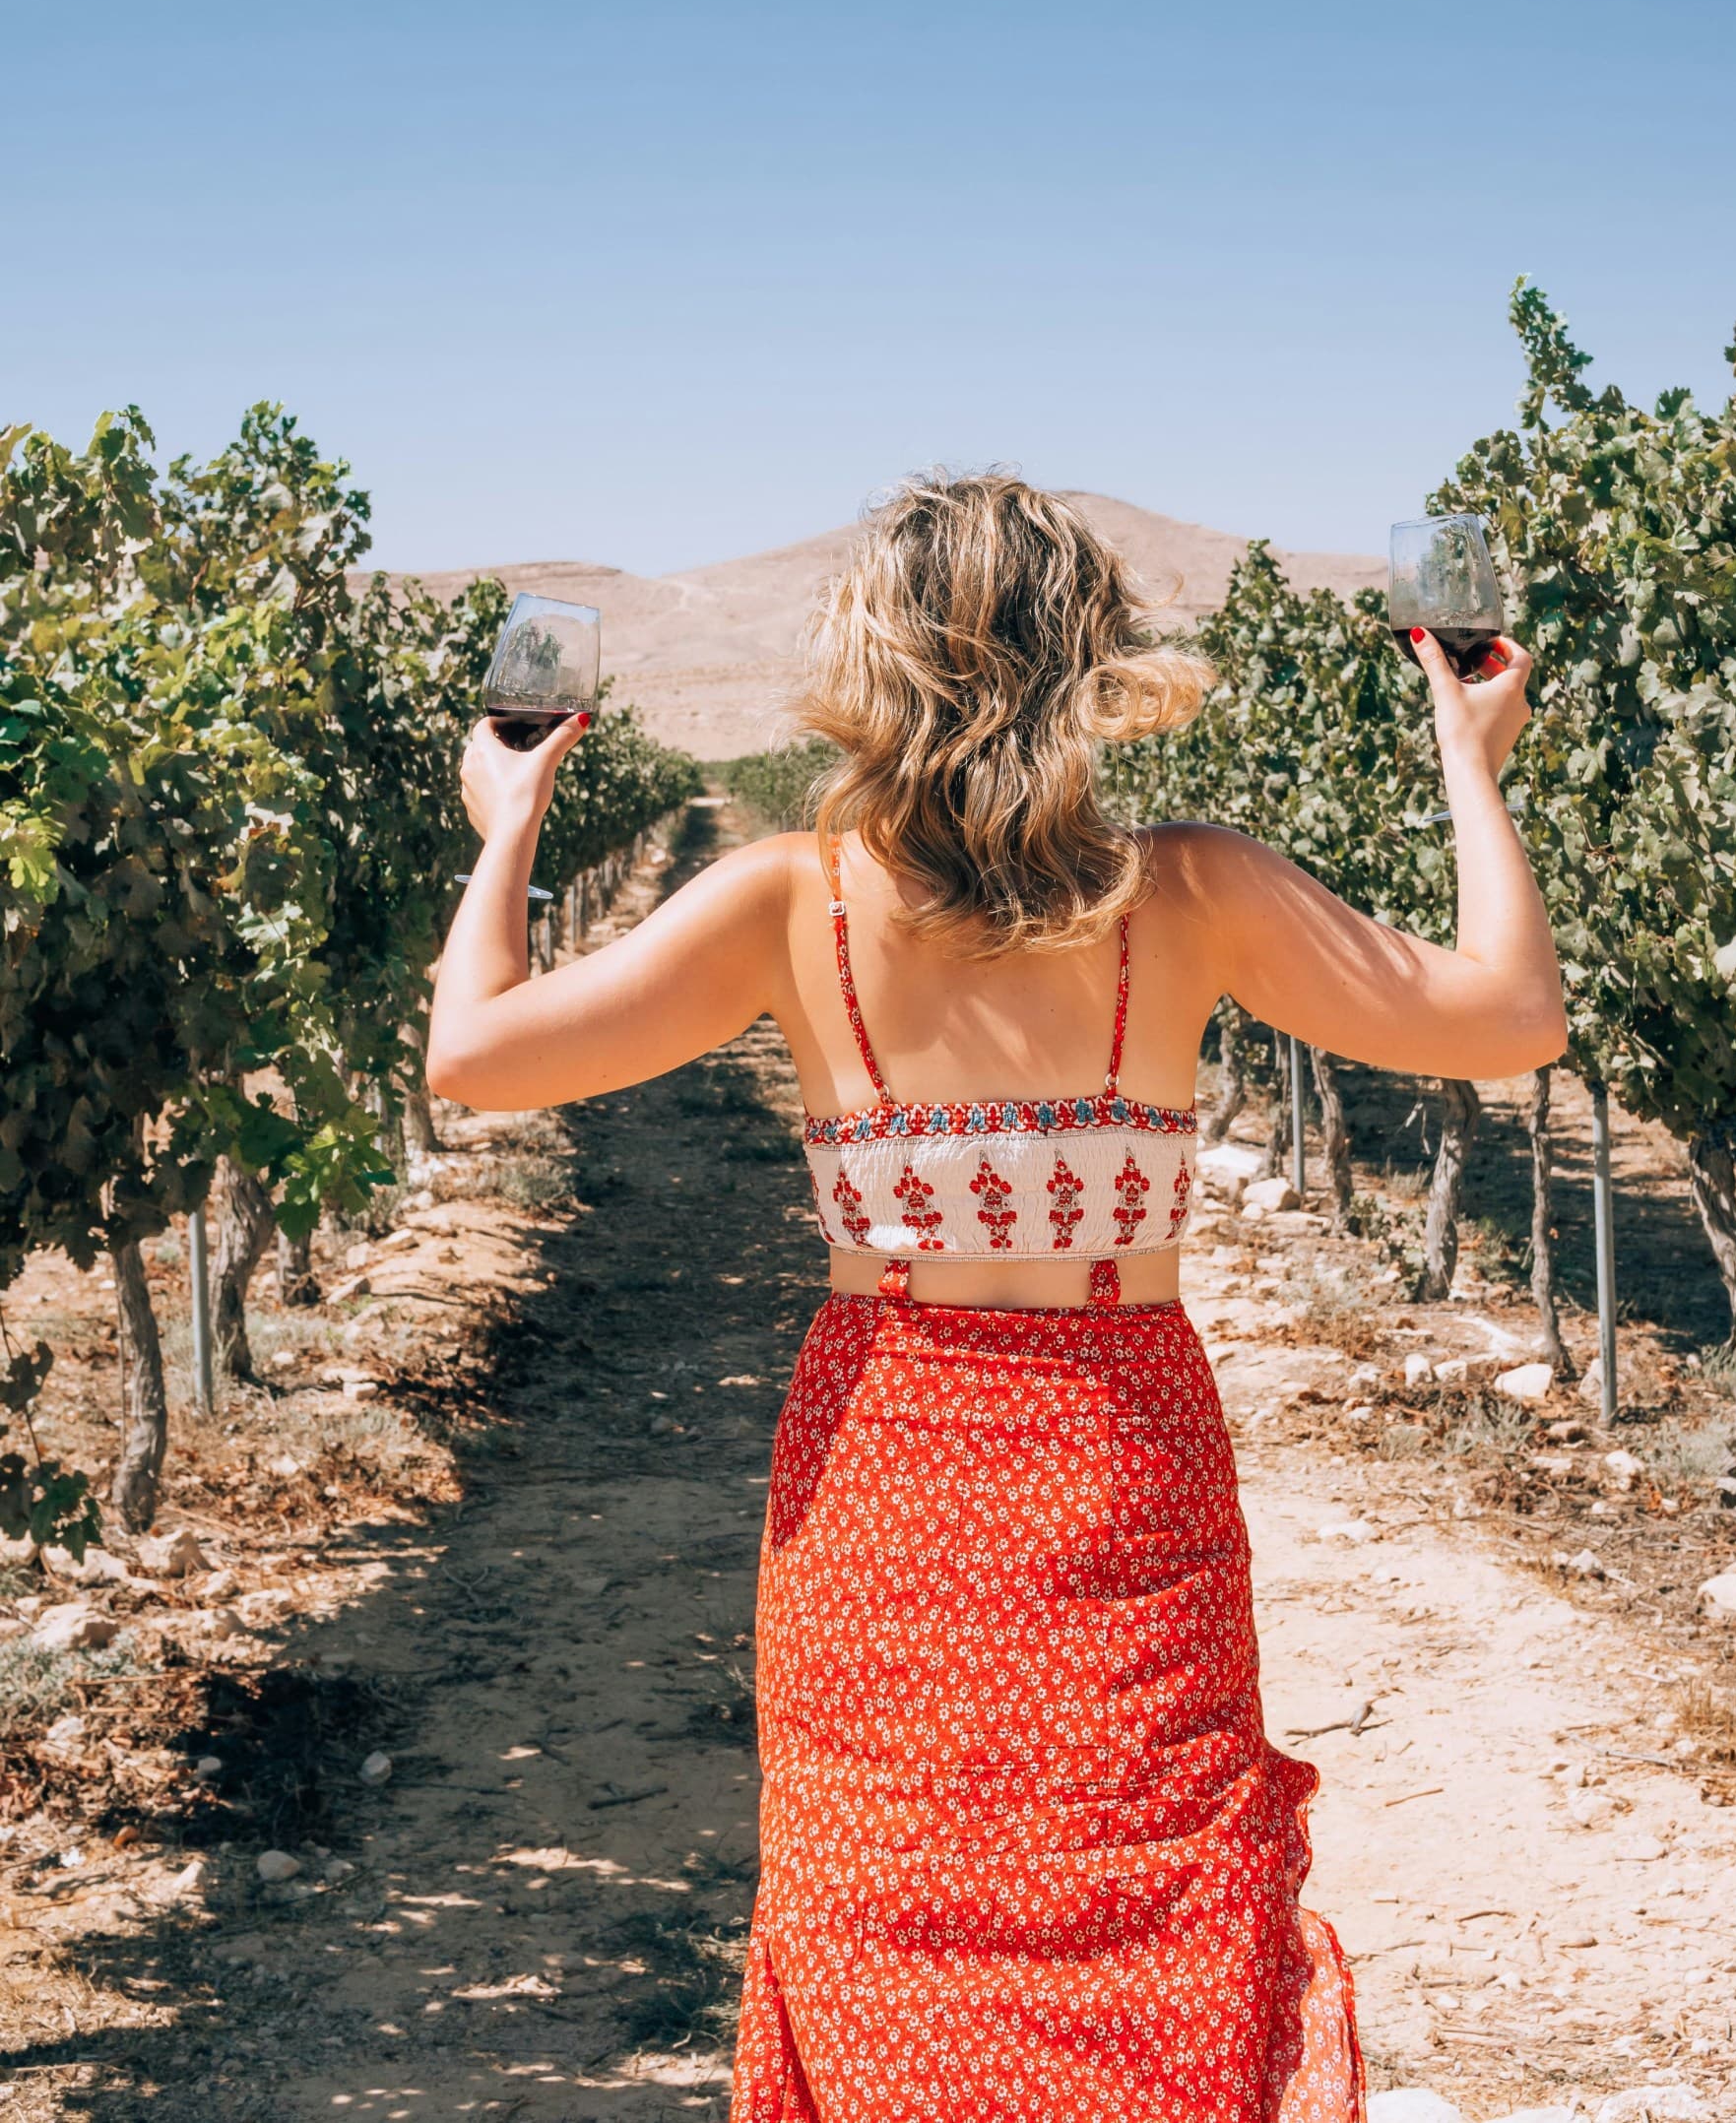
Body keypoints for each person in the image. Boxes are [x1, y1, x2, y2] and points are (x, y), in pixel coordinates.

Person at [428, 474, 1564, 2123]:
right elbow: (1513, 1016)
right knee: (1153, 1914)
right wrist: (1472, 757)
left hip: (883, 1489)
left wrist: (508, 823)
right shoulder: (1192, 890)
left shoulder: (789, 899)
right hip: (1126, 1478)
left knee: (885, 1926)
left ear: (868, 666)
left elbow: (473, 1053)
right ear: (1093, 665)